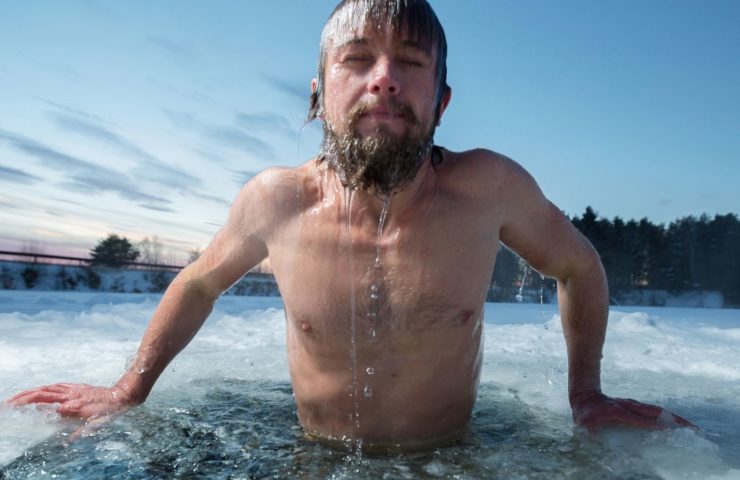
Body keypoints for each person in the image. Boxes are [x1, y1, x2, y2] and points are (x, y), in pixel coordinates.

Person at [9, 0, 692, 452]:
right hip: (314, 458)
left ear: (442, 100)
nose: (384, 79)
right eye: (358, 59)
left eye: (412, 63)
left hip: (451, 461)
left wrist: (587, 395)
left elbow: (578, 266)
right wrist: (130, 388)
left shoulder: (489, 189)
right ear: (319, 91)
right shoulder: (276, 201)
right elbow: (197, 283)